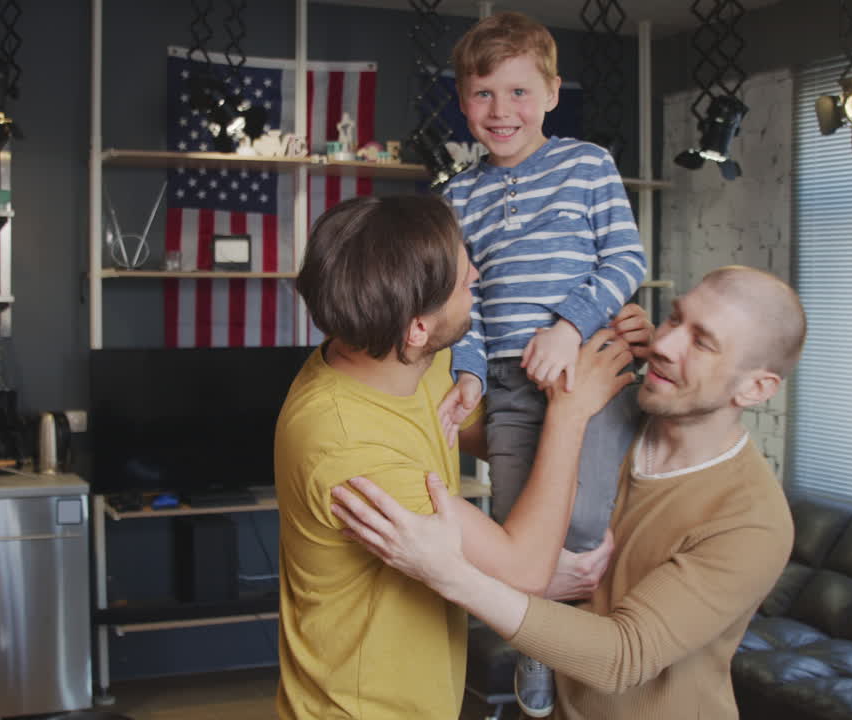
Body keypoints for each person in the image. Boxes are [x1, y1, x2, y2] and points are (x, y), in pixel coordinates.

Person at [332, 265, 807, 720]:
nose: (663, 342)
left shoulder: (752, 521)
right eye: (675, 317)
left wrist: (450, 573)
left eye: (701, 343)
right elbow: (472, 425)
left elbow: (622, 655)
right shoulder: (598, 404)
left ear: (756, 388)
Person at [274, 194, 651, 720]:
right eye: (462, 276)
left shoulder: (405, 359)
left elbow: (484, 433)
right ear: (418, 327)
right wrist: (571, 412)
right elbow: (524, 569)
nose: (477, 272)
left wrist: (604, 339)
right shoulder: (346, 445)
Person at [436, 13, 648, 714]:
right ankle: (536, 661)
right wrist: (467, 374)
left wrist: (566, 325)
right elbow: (465, 307)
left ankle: (583, 655)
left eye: (520, 92)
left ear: (553, 93)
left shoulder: (586, 164)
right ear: (463, 100)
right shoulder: (456, 196)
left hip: (587, 367)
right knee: (515, 537)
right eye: (485, 94)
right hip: (509, 386)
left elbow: (626, 260)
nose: (502, 112)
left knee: (582, 524)